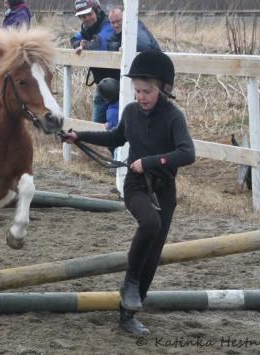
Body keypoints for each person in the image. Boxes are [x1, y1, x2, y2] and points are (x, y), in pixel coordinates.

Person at [62, 49, 196, 335]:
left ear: (163, 89)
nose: (141, 97)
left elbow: (187, 153)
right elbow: (115, 136)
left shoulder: (173, 117)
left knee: (154, 252)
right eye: (137, 91)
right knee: (150, 223)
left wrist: (148, 161)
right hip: (135, 186)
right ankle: (130, 282)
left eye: (147, 91)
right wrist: (79, 136)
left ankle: (129, 313)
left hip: (164, 189)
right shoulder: (131, 112)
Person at [70, 0, 118, 124]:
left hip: (119, 85)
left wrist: (85, 45)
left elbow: (100, 44)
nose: (86, 19)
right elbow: (74, 39)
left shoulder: (109, 24)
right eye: (82, 16)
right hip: (101, 87)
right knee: (95, 128)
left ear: (97, 10)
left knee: (115, 127)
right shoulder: (87, 29)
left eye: (88, 14)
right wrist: (78, 44)